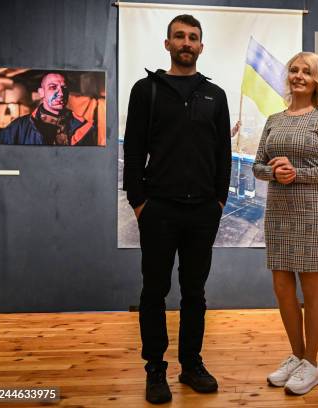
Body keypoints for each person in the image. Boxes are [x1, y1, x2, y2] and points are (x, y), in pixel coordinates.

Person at [122, 14, 231, 404]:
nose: (187, 42)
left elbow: (224, 154)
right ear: (167, 44)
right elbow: (133, 152)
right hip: (159, 210)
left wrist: (219, 202)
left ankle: (191, 364)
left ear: (201, 46)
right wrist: (139, 203)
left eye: (194, 38)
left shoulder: (214, 96)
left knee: (194, 293)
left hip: (203, 210)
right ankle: (155, 369)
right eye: (180, 37)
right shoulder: (146, 90)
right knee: (154, 291)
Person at [253, 52, 318, 395]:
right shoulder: (274, 119)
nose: (298, 76)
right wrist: (273, 172)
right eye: (293, 70)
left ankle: (312, 361)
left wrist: (298, 174)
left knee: (310, 287)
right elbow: (257, 166)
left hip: (311, 209)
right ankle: (295, 354)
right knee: (281, 286)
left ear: (316, 80)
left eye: (306, 72)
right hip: (278, 209)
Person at [0, 72, 97, 145]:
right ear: (41, 92)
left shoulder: (83, 128)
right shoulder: (19, 127)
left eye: (64, 88)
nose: (61, 93)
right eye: (53, 87)